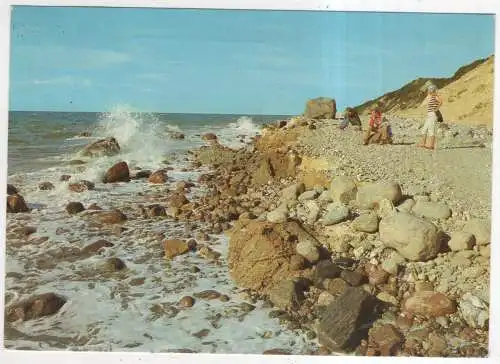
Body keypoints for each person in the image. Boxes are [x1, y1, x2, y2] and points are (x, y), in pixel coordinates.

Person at [418, 84, 442, 150]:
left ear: (432, 90)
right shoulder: (430, 96)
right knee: (424, 129)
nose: (427, 91)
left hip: (433, 115)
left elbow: (441, 101)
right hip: (429, 115)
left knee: (431, 130)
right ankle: (423, 143)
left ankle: (431, 145)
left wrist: (436, 109)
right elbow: (424, 99)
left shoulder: (435, 96)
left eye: (428, 90)